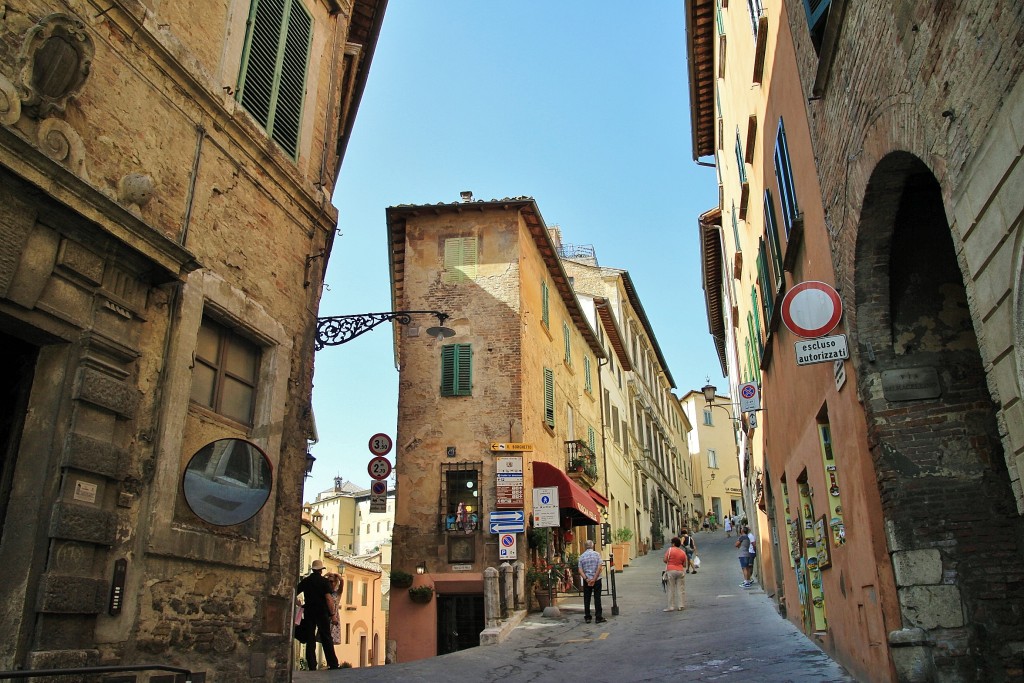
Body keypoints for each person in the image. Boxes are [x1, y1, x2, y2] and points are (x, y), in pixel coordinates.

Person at [296, 559, 340, 670]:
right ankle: (333, 664)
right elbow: (328, 599)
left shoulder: (306, 581)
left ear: (312, 570)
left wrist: (299, 604)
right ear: (321, 570)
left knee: (310, 638)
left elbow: (294, 592)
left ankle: (312, 665)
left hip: (309, 612)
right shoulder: (324, 582)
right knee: (326, 637)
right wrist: (333, 614)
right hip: (322, 612)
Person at [577, 540, 606, 624]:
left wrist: (586, 579)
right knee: (597, 598)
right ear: (592, 546)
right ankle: (598, 617)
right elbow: (599, 567)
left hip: (587, 580)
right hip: (597, 579)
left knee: (587, 598)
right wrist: (594, 578)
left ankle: (588, 617)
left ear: (585, 547)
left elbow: (580, 570)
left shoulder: (582, 556)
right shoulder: (597, 555)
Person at [662, 536, 688, 611]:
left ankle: (671, 607)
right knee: (681, 588)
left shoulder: (670, 550)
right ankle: (681, 605)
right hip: (680, 571)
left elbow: (665, 560)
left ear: (673, 543)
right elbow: (684, 565)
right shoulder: (683, 552)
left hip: (671, 571)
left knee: (671, 589)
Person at [325, 572, 343, 649]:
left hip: (334, 618)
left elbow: (342, 582)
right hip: (325, 616)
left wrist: (338, 576)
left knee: (331, 640)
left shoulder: (337, 593)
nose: (331, 583)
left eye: (332, 581)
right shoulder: (325, 591)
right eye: (329, 581)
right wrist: (324, 576)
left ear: (336, 582)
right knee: (325, 639)